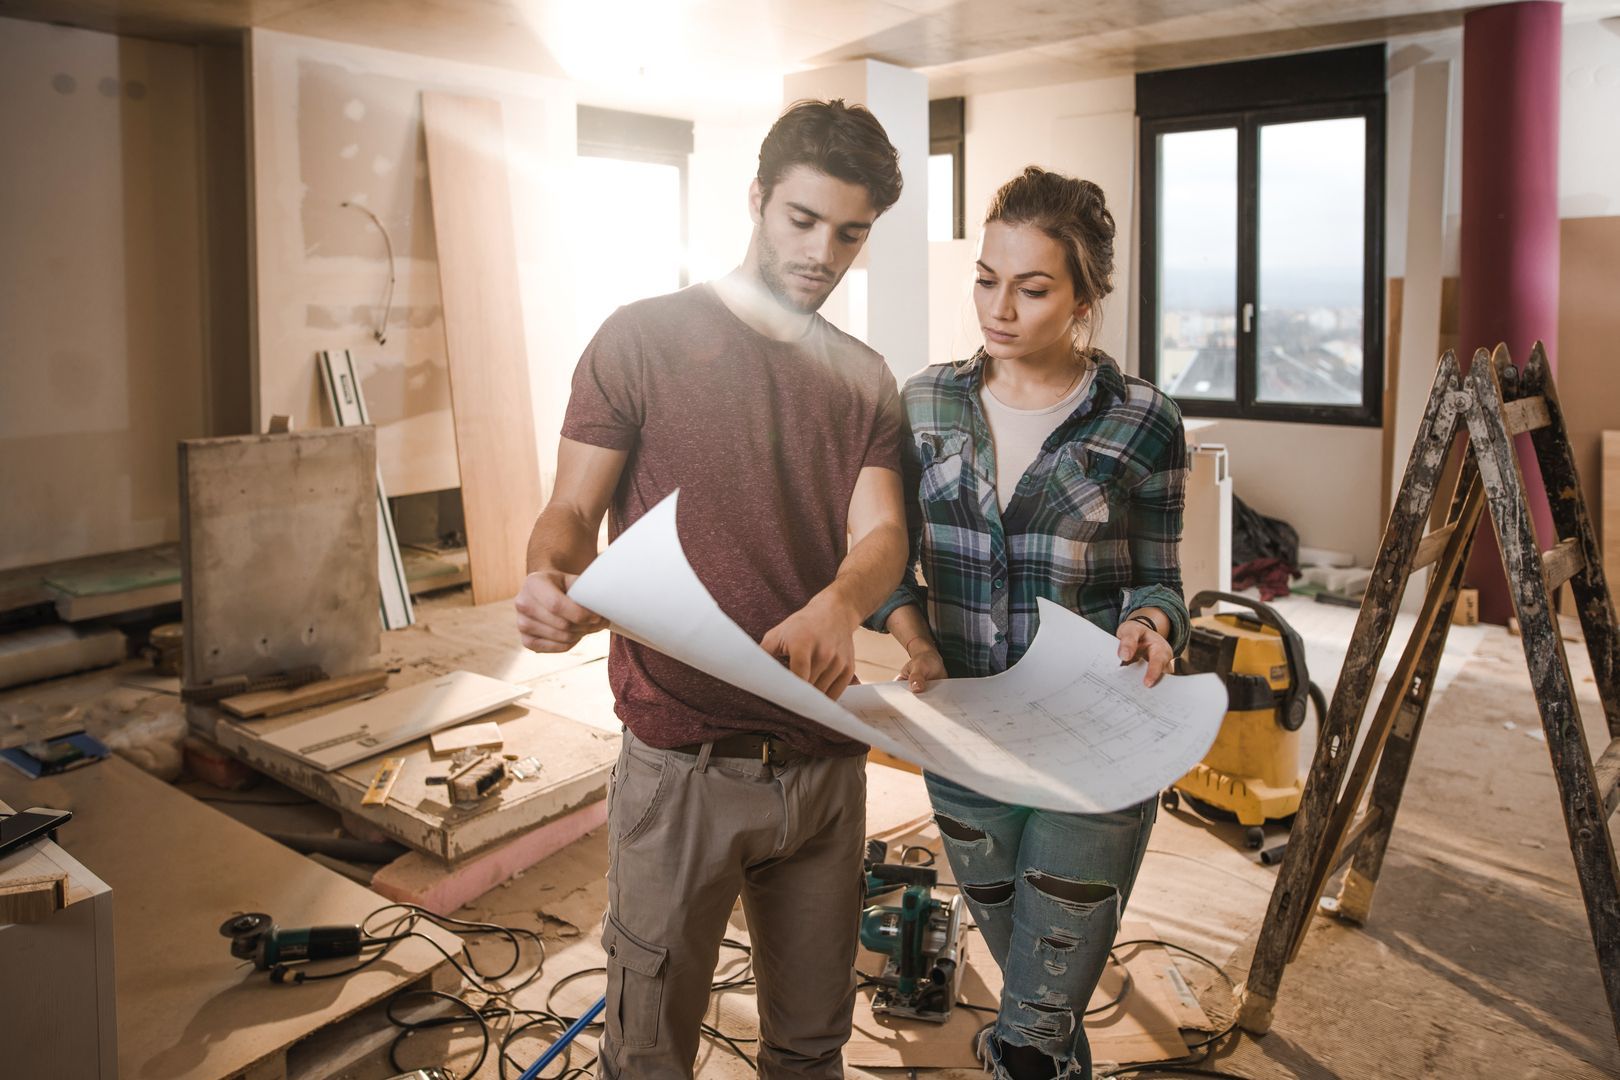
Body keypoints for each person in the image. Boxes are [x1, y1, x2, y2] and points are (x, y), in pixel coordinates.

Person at [513, 99, 909, 1079]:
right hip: (682, 766)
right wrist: (549, 576)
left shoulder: (862, 379)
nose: (824, 252)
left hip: (824, 772)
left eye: (851, 233)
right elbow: (570, 507)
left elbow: (885, 534)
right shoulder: (640, 340)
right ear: (758, 199)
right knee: (648, 1055)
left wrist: (841, 603)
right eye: (802, 220)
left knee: (811, 1049)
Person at [872, 166, 1189, 1080]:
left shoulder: (1144, 422)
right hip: (968, 738)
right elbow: (890, 563)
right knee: (1028, 982)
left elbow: (1160, 580)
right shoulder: (925, 402)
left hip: (1094, 740)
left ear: (1086, 295)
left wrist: (1157, 627)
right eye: (986, 278)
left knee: (1035, 1019)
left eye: (1033, 286)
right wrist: (912, 633)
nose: (998, 307)